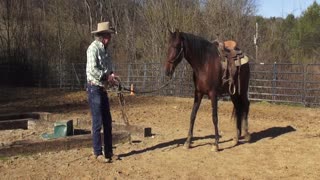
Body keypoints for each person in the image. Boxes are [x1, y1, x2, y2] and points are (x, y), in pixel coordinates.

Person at [86, 21, 118, 163]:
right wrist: (107, 77)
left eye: (109, 36)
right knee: (97, 121)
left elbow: (108, 67)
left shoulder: (105, 50)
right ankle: (98, 152)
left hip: (102, 88)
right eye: (108, 36)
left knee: (108, 121)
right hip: (94, 88)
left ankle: (109, 152)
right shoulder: (93, 49)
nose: (109, 38)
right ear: (102, 36)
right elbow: (93, 69)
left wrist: (112, 75)